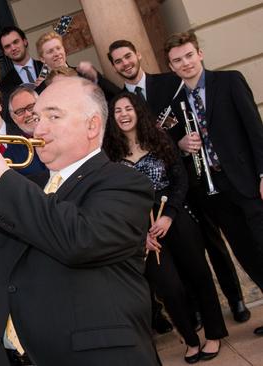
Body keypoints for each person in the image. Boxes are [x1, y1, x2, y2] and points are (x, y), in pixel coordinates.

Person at [0, 76, 158, 366]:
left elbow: (80, 241)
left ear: (92, 125)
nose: (38, 127)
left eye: (53, 115)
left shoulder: (124, 182)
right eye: (37, 117)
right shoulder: (29, 187)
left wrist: (2, 179)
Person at [108, 39, 251, 324]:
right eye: (118, 61)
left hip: (194, 177)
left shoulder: (170, 82)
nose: (125, 63)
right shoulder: (120, 102)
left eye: (128, 56)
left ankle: (234, 298)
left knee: (213, 241)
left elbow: (198, 118)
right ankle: (195, 309)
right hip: (160, 191)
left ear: (138, 55)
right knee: (179, 254)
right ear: (113, 67)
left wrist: (184, 142)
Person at [104, 92, 227, 363]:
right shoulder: (110, 154)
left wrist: (169, 215)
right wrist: (139, 236)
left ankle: (214, 334)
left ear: (137, 111)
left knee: (199, 275)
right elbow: (113, 200)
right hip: (142, 230)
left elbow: (180, 181)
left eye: (128, 108)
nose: (123, 114)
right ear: (111, 118)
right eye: (117, 111)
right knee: (168, 288)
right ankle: (191, 339)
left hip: (175, 218)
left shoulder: (159, 139)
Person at [165, 31, 263, 335]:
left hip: (247, 181)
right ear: (171, 67)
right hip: (213, 189)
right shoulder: (176, 102)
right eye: (178, 60)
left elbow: (254, 128)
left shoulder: (229, 81)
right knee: (244, 252)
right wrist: (180, 144)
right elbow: (167, 142)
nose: (185, 63)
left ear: (200, 55)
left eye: (189, 55)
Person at [36, 31, 120, 101]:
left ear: (64, 49)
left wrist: (97, 78)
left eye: (58, 48)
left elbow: (117, 96)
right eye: (50, 51)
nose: (57, 54)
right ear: (42, 59)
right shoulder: (41, 91)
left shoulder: (85, 73)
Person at [6, 85, 46, 175]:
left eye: (31, 107)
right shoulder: (11, 156)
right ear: (14, 119)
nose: (28, 114)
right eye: (20, 111)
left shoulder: (63, 132)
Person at [0, 26, 45, 96]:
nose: (13, 48)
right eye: (7, 46)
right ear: (5, 52)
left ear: (25, 41)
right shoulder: (5, 84)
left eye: (16, 42)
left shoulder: (46, 66)